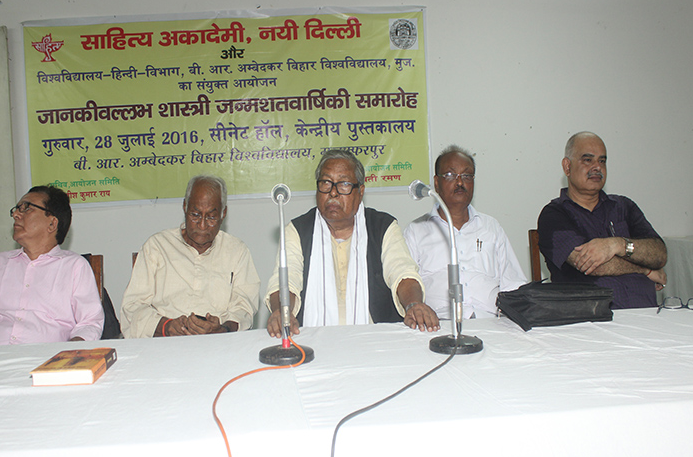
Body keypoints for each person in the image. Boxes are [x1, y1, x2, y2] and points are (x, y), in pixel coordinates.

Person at [265, 149, 439, 337]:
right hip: (311, 339)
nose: (333, 192)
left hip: (374, 340)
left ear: (360, 191)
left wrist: (413, 304)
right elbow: (286, 281)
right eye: (326, 183)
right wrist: (282, 312)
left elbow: (402, 272)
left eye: (344, 184)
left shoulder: (383, 227)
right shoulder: (297, 230)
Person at [0, 186, 104, 348]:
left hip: (44, 358)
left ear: (52, 223)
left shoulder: (74, 266)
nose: (16, 214)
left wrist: (70, 353)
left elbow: (89, 323)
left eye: (27, 208)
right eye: (16, 209)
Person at [537, 131, 666, 309]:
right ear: (567, 166)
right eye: (587, 160)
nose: (597, 167)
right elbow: (590, 264)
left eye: (602, 161)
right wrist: (645, 269)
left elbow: (659, 254)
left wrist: (617, 245)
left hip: (648, 312)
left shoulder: (624, 206)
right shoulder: (554, 215)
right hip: (592, 318)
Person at [121, 175, 260, 338]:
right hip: (164, 343)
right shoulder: (157, 246)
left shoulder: (236, 251)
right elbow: (133, 307)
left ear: (223, 213)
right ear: (185, 207)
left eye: (211, 217)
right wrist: (166, 326)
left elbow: (244, 308)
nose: (202, 225)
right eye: (195, 214)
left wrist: (222, 329)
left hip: (217, 342)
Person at [404, 145, 527, 319]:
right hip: (438, 323)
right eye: (450, 175)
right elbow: (406, 281)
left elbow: (513, 283)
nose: (460, 182)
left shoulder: (491, 227)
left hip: (491, 322)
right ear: (436, 183)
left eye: (467, 176)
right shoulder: (417, 230)